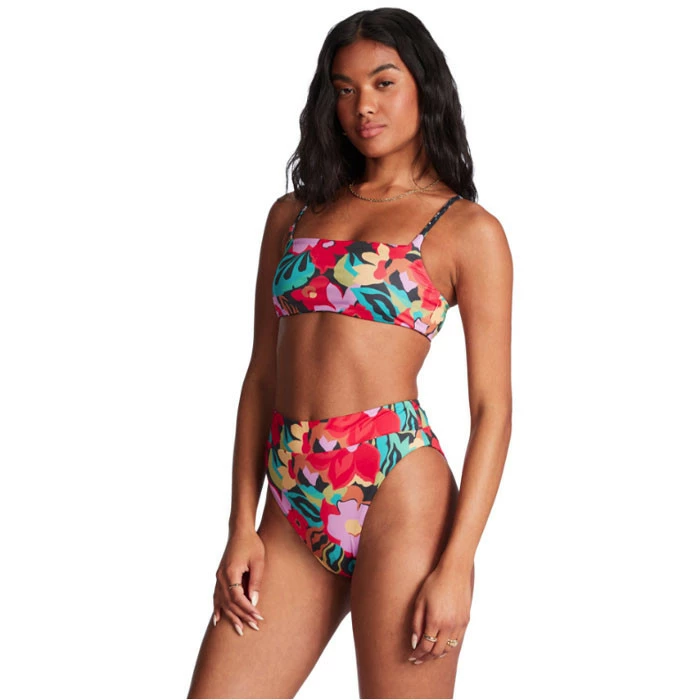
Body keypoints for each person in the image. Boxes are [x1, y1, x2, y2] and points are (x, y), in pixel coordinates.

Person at [188, 8, 512, 699]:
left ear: (424, 87)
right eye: (344, 88)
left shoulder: (465, 230)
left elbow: (493, 409)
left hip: (399, 484)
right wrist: (240, 523)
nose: (363, 105)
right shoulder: (293, 215)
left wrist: (457, 564)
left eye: (383, 83)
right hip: (292, 489)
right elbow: (261, 376)